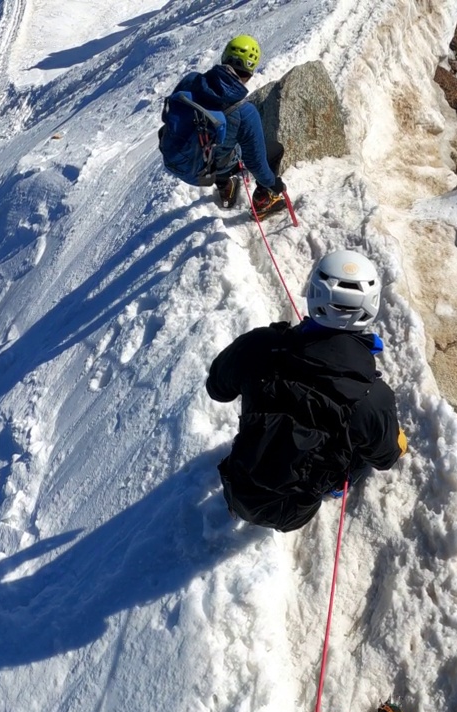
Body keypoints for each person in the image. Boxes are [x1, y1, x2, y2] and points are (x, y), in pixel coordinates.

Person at [206, 250, 407, 532]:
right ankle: (336, 487)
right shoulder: (371, 396)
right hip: (296, 510)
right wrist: (396, 437)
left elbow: (217, 389)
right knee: (364, 440)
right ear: (371, 306)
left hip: (237, 483)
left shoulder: (259, 346)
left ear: (313, 293)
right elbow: (386, 457)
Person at [160, 35, 289, 216]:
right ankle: (263, 200)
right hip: (209, 167)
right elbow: (256, 164)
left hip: (177, 159)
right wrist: (273, 183)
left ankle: (225, 188)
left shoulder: (190, 80)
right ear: (250, 72)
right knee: (274, 149)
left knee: (217, 145)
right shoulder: (245, 112)